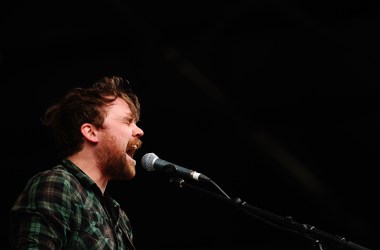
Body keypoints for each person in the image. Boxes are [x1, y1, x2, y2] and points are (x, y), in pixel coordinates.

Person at [9, 75, 144, 249]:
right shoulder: (57, 185)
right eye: (128, 121)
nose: (139, 131)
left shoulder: (118, 215)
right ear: (91, 132)